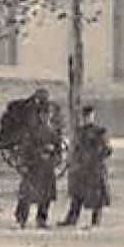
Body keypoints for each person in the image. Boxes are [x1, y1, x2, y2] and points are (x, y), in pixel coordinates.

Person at [12, 91, 60, 230]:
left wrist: (55, 160)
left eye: (49, 114)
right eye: (44, 114)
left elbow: (59, 149)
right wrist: (26, 162)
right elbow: (25, 148)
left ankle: (42, 219)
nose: (46, 117)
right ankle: (21, 219)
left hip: (48, 167)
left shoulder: (54, 132)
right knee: (26, 194)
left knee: (46, 195)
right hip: (33, 165)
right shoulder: (31, 130)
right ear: (39, 115)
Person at [60, 106, 112, 230]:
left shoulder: (100, 132)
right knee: (77, 195)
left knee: (97, 196)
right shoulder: (79, 132)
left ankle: (95, 221)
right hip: (81, 169)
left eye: (89, 116)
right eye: (85, 116)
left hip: (95, 169)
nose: (87, 119)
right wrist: (72, 162)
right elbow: (75, 150)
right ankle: (71, 219)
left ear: (93, 116)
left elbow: (107, 150)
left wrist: (97, 155)